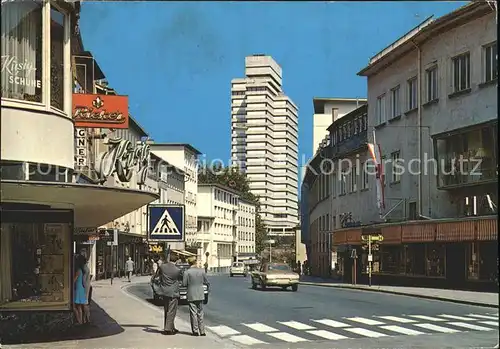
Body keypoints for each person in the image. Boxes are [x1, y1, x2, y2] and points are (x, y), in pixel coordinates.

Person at [154, 252, 181, 335]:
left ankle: (171, 327)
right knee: (171, 311)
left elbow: (158, 272)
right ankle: (168, 329)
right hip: (173, 292)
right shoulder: (177, 270)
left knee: (167, 310)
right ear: (176, 261)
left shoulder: (163, 267)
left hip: (164, 291)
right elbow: (180, 279)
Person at [182, 258, 210, 336]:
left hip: (191, 293)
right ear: (195, 262)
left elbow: (184, 283)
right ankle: (202, 331)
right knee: (200, 312)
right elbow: (206, 281)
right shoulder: (202, 271)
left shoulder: (187, 272)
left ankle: (195, 331)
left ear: (189, 263)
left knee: (193, 312)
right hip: (200, 294)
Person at [73, 255, 87, 325]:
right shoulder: (81, 270)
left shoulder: (78, 270)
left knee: (75, 306)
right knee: (79, 306)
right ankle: (81, 321)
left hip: (78, 289)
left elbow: (74, 280)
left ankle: (79, 320)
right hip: (81, 288)